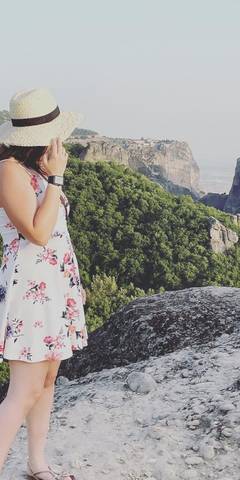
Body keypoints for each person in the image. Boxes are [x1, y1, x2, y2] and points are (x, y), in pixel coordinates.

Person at [0, 88, 89, 479]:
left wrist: (74, 283)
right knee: (23, 391)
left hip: (55, 287)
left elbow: (58, 234)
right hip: (29, 291)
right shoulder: (9, 171)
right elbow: (36, 232)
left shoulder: (36, 169)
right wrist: (57, 178)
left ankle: (37, 465)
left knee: (48, 379)